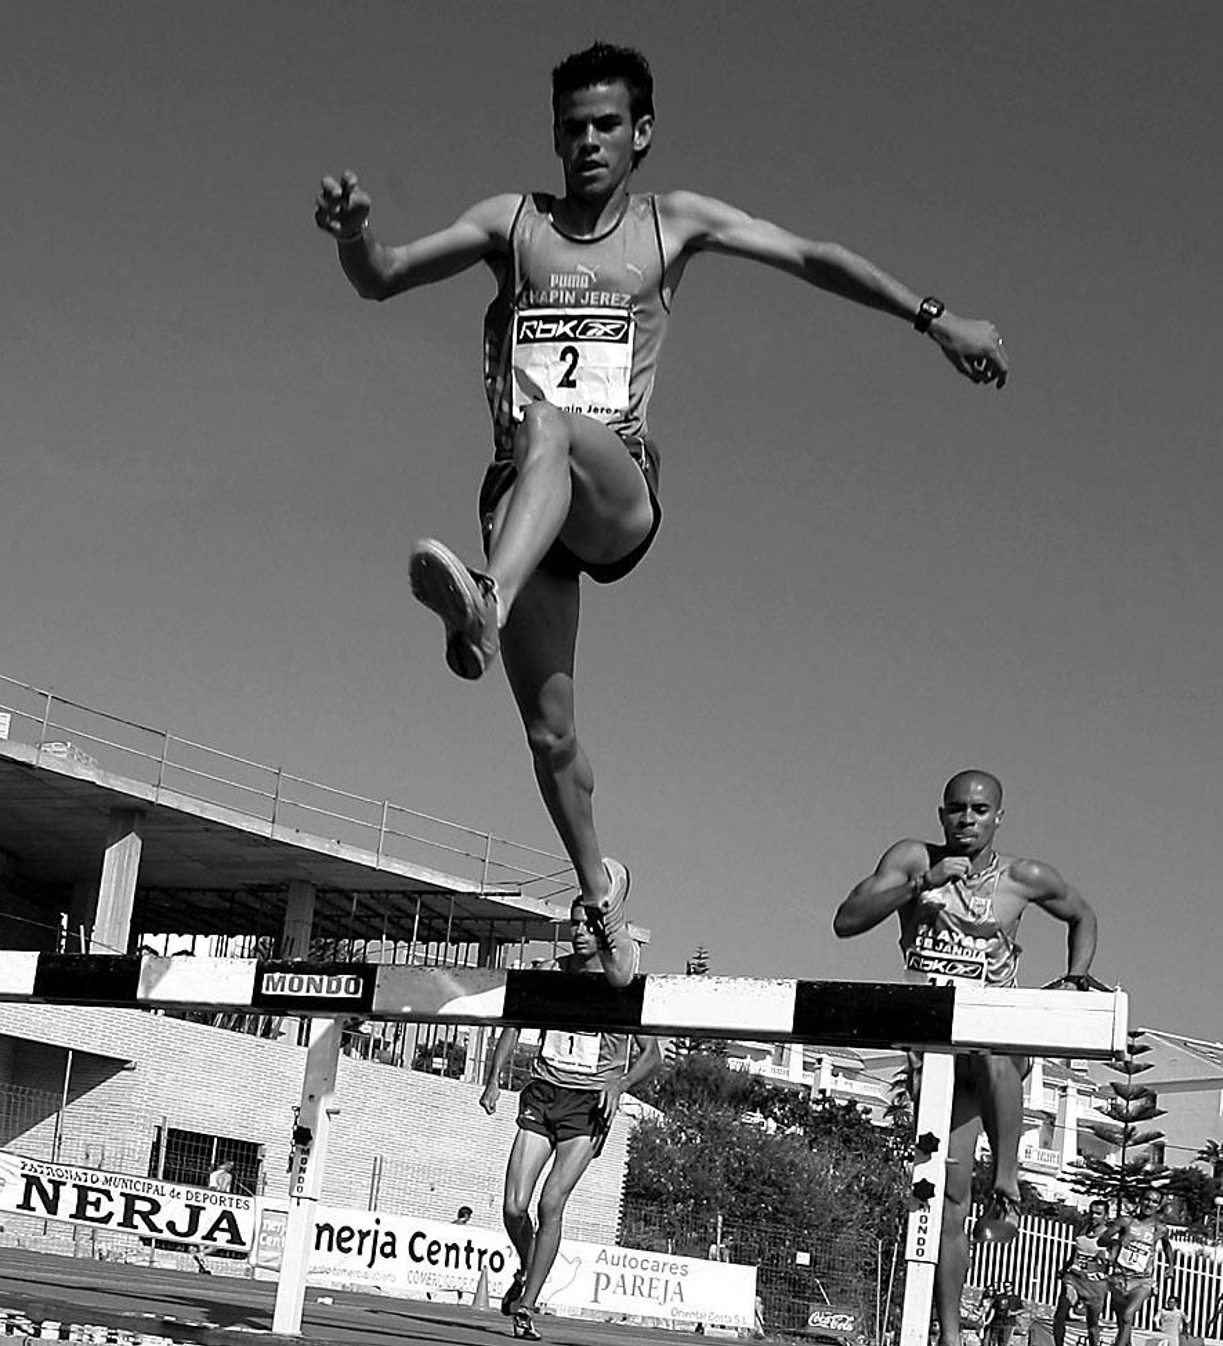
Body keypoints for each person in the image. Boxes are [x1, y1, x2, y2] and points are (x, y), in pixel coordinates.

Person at [316, 42, 1008, 990]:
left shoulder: (669, 224)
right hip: (520, 505)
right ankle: (601, 903)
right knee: (551, 738)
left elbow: (811, 256)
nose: (587, 143)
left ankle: (486, 601)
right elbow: (383, 274)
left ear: (640, 133)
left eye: (606, 126)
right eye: (571, 128)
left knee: (552, 425)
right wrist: (355, 235)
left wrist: (936, 320)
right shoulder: (509, 224)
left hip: (614, 490)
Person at [833, 769, 1098, 1346]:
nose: (967, 820)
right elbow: (846, 921)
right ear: (942, 813)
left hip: (997, 1052)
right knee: (946, 1206)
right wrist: (920, 886)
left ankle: (1006, 1183)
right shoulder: (911, 859)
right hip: (935, 1053)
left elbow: (1083, 915)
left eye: (980, 810)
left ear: (999, 818)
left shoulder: (1024, 878)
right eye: (956, 810)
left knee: (995, 1045)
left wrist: (1075, 979)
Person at [480, 944, 660, 1339]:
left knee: (550, 1203)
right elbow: (515, 1021)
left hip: (589, 1104)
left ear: (603, 932)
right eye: (574, 924)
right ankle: (529, 1269)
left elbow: (652, 1054)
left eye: (587, 926)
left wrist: (622, 1082)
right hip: (544, 1091)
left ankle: (527, 1306)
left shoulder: (621, 984)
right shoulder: (552, 971)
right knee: (513, 1207)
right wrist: (495, 1076)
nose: (579, 933)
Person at [1102, 1189, 1173, 1346]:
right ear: (1140, 1201)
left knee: (1127, 1316)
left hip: (1143, 1281)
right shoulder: (1126, 1222)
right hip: (1119, 1279)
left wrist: (1170, 1266)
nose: (1149, 1204)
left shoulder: (1160, 1229)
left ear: (1158, 1206)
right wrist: (1118, 1242)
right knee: (1122, 1322)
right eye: (1146, 1199)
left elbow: (1167, 1245)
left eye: (1154, 1202)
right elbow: (1102, 1239)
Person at [1043, 1198, 1114, 1346]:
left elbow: (1114, 1259)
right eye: (1092, 1211)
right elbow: (1076, 1253)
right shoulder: (1083, 1228)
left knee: (1092, 1326)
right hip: (1074, 1278)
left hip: (1095, 1285)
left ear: (1106, 1216)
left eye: (1098, 1213)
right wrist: (1065, 1267)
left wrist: (1104, 1261)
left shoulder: (1109, 1235)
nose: (1093, 1216)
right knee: (1060, 1314)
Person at [981, 1279, 1025, 1346]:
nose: (1006, 1287)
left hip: (1008, 1323)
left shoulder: (1015, 1298)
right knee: (992, 1342)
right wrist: (988, 1320)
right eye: (1005, 1286)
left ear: (1012, 1287)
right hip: (996, 1322)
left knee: (1003, 1343)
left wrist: (1013, 1313)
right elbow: (993, 1309)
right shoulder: (999, 1297)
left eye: (1008, 1286)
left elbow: (1022, 1309)